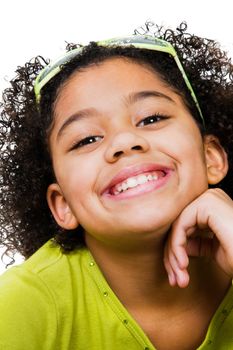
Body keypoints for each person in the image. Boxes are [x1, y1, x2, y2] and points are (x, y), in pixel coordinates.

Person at [0, 21, 233, 349]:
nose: (124, 141)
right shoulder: (23, 306)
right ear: (62, 205)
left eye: (151, 118)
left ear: (211, 157)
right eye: (87, 139)